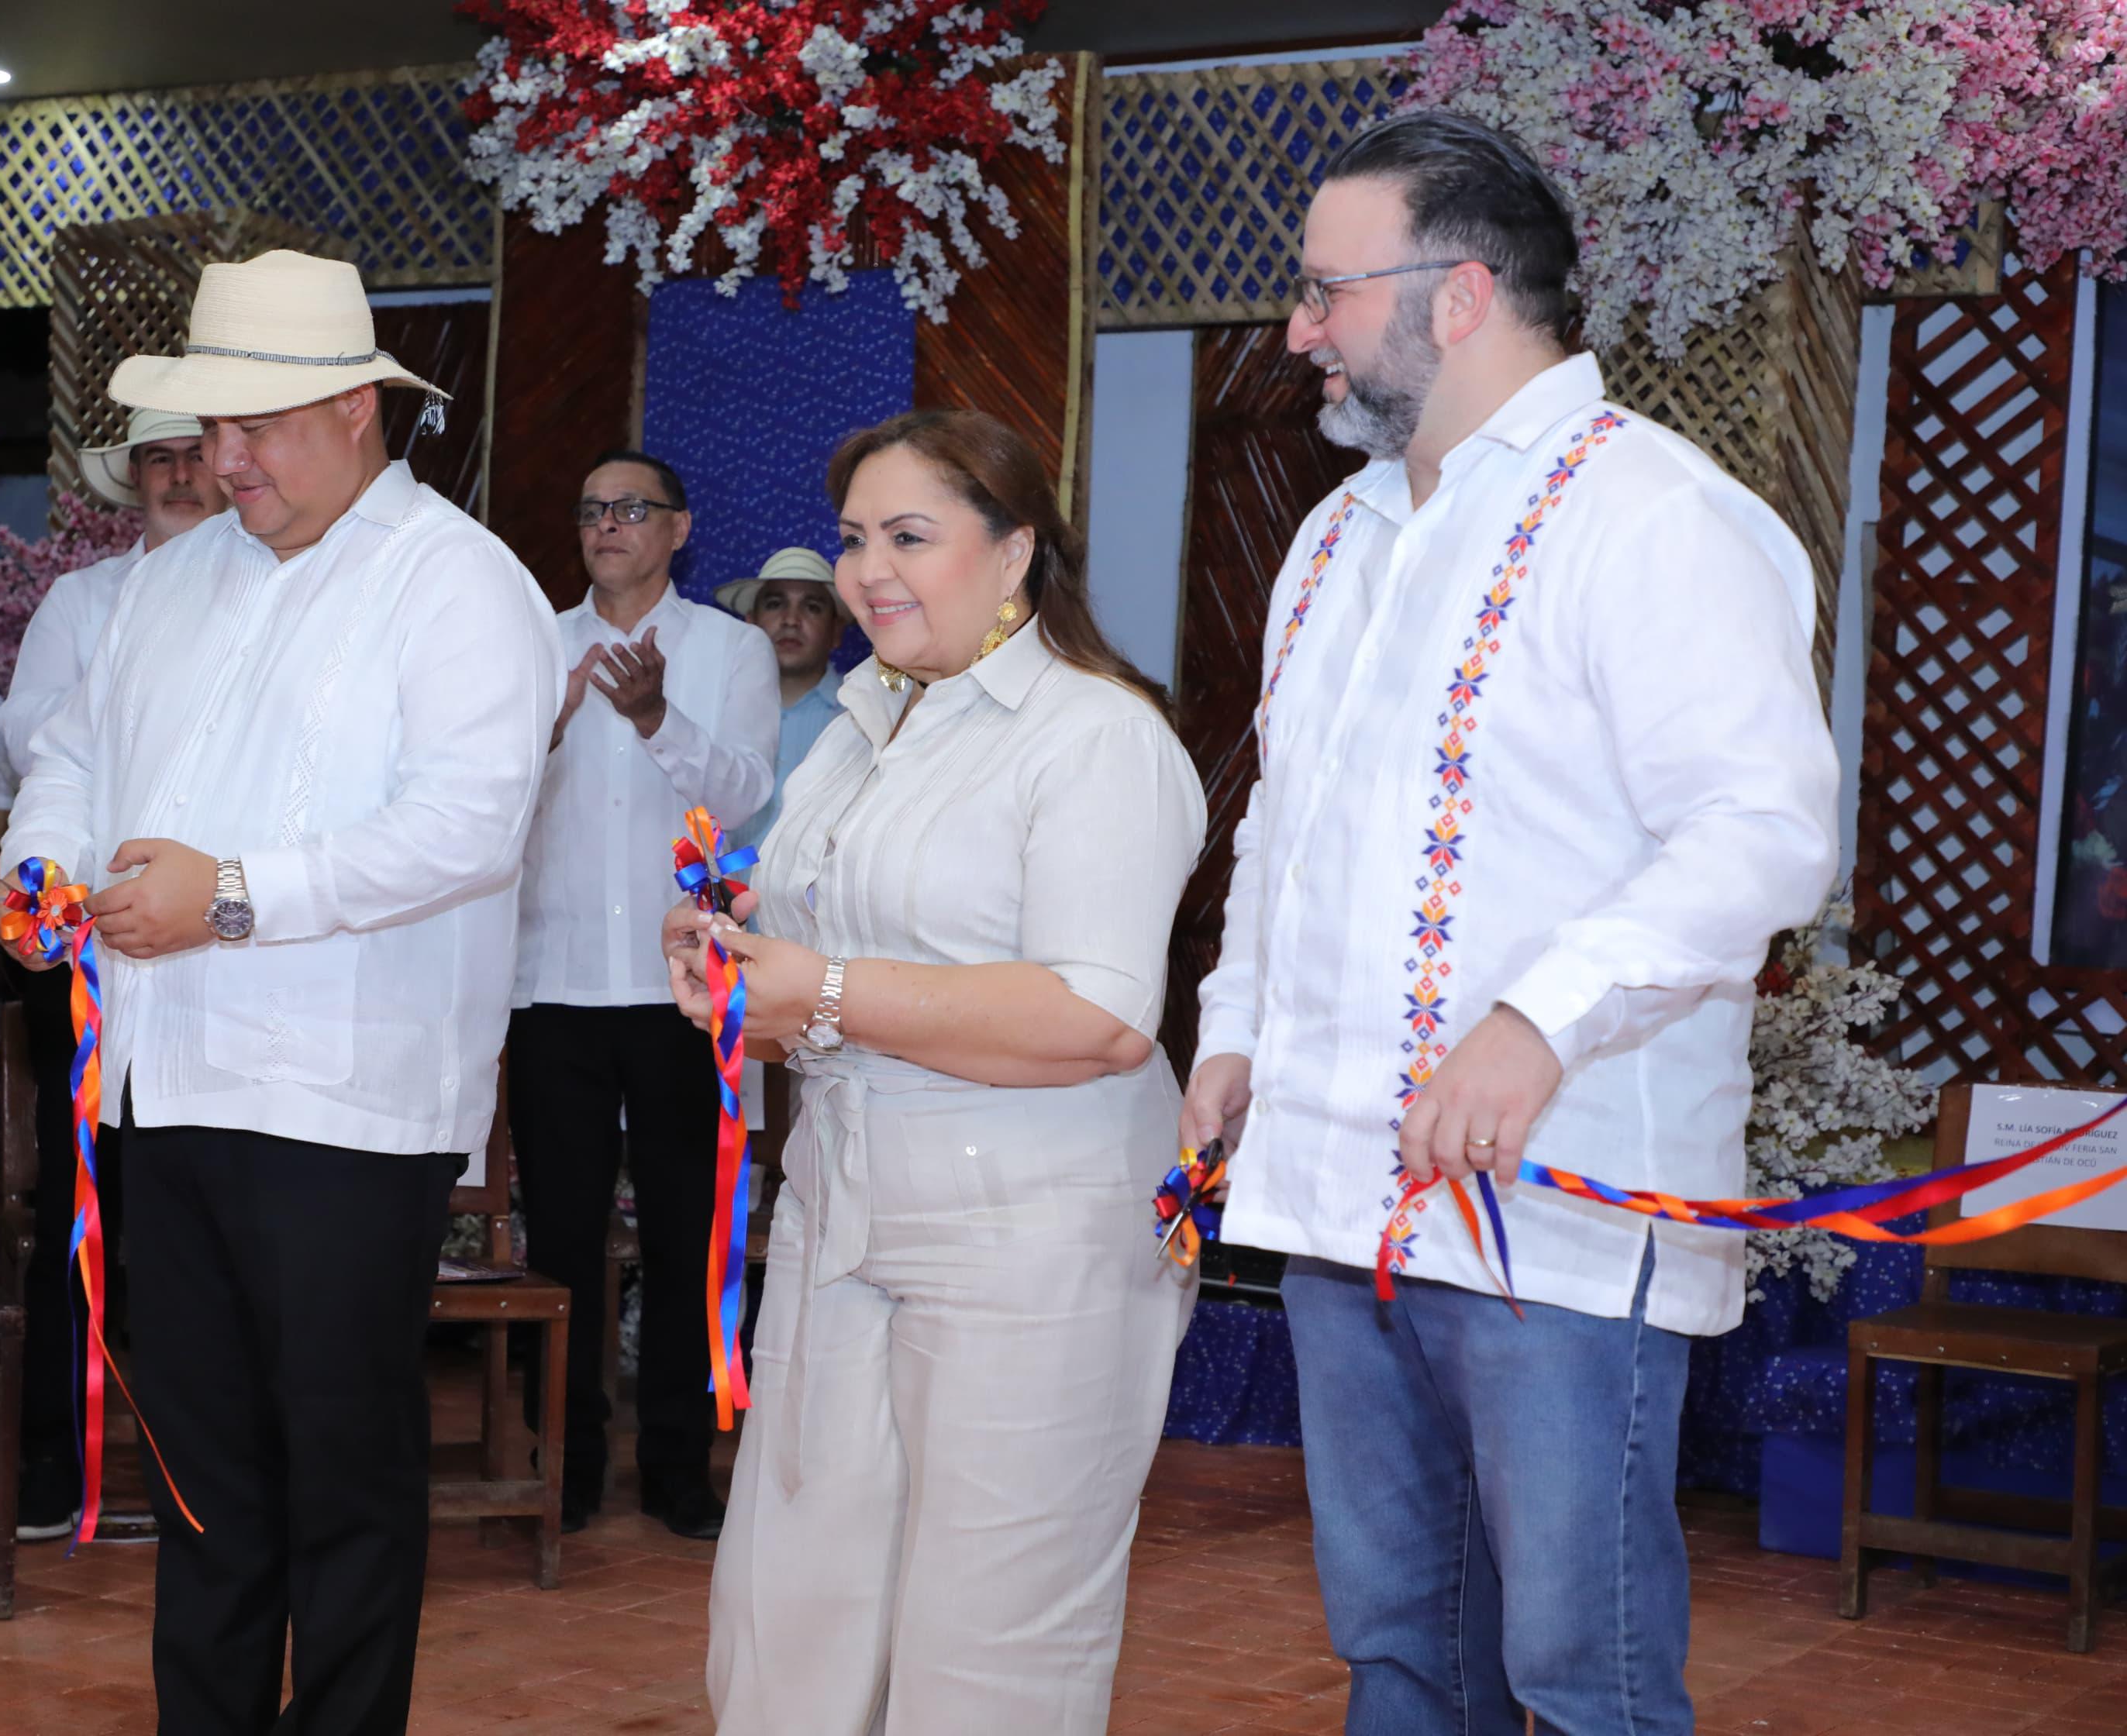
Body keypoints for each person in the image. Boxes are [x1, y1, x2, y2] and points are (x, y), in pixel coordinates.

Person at [1178, 112, 1840, 1736]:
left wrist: (1537, 1016)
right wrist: (1237, 1025)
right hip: (1342, 1192)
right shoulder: (1336, 536)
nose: (1299, 327)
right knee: (1399, 1645)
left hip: (1560, 1208)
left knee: (1580, 1670)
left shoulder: (1657, 516)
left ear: (1458, 296)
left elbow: (1765, 833)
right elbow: (1287, 820)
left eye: (1328, 289)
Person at [0, 248, 560, 1735]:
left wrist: (229, 894)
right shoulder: (164, 584)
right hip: (159, 1089)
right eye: (209, 429)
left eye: (258, 426)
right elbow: (68, 753)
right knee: (200, 1479)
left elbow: (466, 828)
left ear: (363, 409)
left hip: (342, 1106)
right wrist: (44, 866)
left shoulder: (457, 581)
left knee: (344, 1486)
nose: (221, 459)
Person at [665, 408, 1203, 1732]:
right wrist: (745, 978)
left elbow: (1100, 1014)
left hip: (1032, 1223)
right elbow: (828, 962)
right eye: (854, 539)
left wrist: (823, 991)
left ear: (1017, 550)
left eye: (911, 535)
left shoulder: (1097, 736)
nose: (867, 571)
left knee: (992, 1635)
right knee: (792, 1605)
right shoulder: (864, 722)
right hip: (842, 1202)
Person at [511, 450, 778, 1539]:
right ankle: (563, 1467)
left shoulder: (732, 650)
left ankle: (677, 1466)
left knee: (685, 1234)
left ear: (679, 528)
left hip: (685, 994)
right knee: (563, 1241)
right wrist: (553, 725)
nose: (606, 525)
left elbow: (750, 796)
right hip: (553, 987)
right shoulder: (533, 648)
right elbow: (472, 808)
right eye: (590, 509)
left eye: (630, 509)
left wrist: (660, 717)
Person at [0, 405, 220, 1543]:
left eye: (196, 453)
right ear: (130, 481)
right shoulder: (83, 603)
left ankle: (197, 1476)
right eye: (159, 459)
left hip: (216, 953)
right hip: (86, 956)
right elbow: (43, 744)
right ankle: (50, 1461)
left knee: (196, 1227)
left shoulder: (272, 596)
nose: (179, 474)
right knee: (79, 1214)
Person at [715, 544, 849, 851]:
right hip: (722, 897)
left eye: (812, 607)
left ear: (836, 631)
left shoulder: (864, 718)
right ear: (749, 624)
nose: (791, 620)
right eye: (775, 604)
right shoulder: (713, 709)